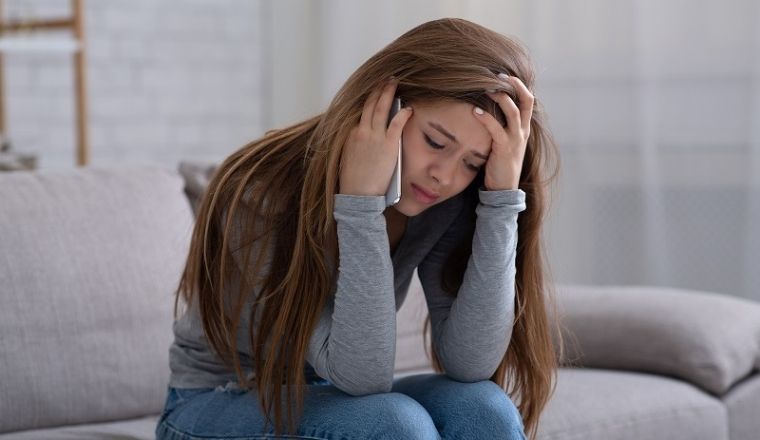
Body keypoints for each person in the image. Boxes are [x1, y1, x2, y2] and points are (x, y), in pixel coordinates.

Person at [157, 17, 561, 440]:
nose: (445, 175)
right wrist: (361, 206)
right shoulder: (259, 191)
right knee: (392, 424)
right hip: (213, 400)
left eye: (473, 162)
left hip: (335, 399)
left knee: (484, 410)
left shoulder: (443, 202)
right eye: (436, 142)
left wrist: (500, 201)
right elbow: (363, 376)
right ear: (384, 105)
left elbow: (470, 363)